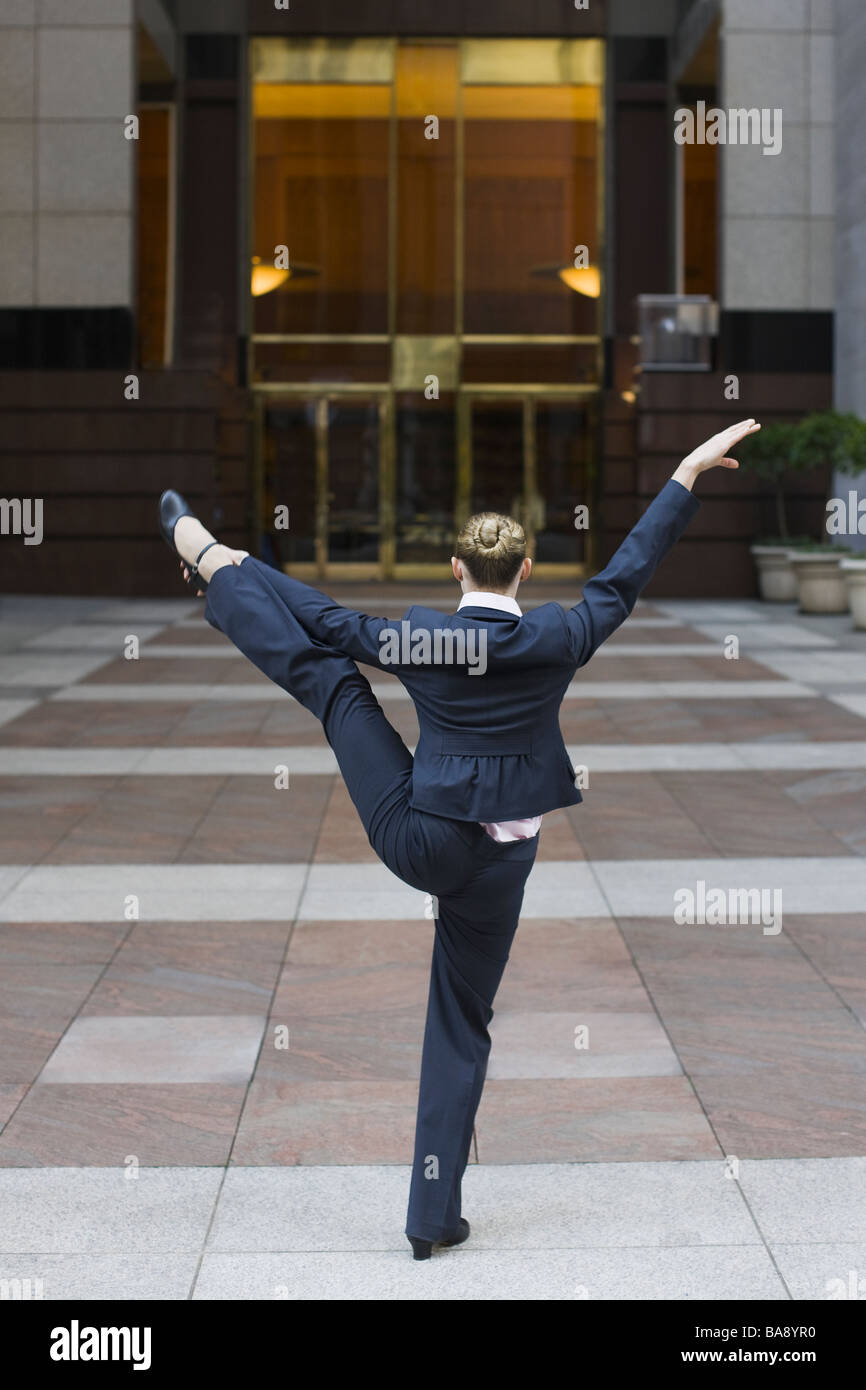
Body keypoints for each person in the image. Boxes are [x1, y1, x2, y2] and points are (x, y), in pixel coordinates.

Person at [158, 417, 760, 1260]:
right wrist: (687, 472)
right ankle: (431, 1219)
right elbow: (626, 576)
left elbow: (325, 620)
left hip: (421, 835)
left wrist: (238, 568)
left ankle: (209, 561)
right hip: (502, 866)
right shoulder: (558, 634)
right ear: (523, 571)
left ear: (455, 572)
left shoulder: (422, 636)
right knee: (461, 1022)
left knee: (332, 684)